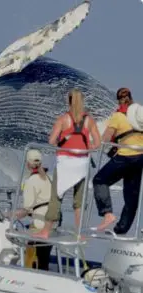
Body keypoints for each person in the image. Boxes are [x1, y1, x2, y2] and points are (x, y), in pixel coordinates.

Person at [35, 89, 101, 239]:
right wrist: (86, 147)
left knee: (56, 196)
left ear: (69, 101)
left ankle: (46, 231)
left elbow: (52, 141)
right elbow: (97, 143)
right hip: (82, 164)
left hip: (65, 163)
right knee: (79, 200)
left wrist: (61, 140)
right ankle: (79, 233)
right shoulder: (89, 120)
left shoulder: (63, 119)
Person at [93, 87, 143, 233]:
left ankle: (107, 213)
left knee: (100, 180)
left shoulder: (118, 116)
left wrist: (97, 143)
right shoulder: (139, 114)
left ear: (118, 100)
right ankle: (121, 230)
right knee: (131, 195)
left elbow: (106, 138)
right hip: (140, 157)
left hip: (125, 156)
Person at [15, 149, 54, 271]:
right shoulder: (49, 177)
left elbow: (26, 209)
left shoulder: (31, 181)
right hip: (53, 222)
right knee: (44, 257)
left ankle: (29, 274)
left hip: (39, 223)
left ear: (28, 164)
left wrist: (10, 215)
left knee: (33, 254)